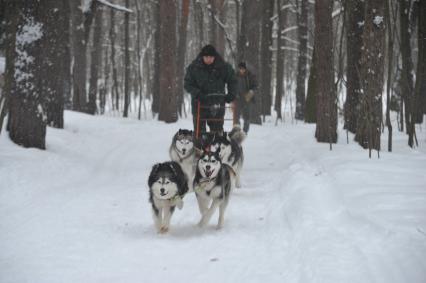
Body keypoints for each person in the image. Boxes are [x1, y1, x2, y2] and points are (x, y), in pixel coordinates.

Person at [184, 44, 237, 136]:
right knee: (199, 134)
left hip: (217, 104)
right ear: (202, 56)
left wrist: (231, 93)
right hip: (199, 104)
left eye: (211, 57)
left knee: (217, 133)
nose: (209, 59)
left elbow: (232, 80)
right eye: (206, 57)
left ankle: (216, 148)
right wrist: (197, 93)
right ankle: (200, 149)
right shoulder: (194, 67)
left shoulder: (223, 67)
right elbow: (187, 84)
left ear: (214, 57)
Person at [235, 62, 257, 134]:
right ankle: (237, 131)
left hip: (247, 99)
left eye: (243, 69)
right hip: (238, 98)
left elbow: (255, 86)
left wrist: (251, 92)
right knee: (236, 116)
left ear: (245, 69)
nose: (241, 70)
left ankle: (244, 132)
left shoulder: (250, 76)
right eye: (240, 69)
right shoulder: (236, 76)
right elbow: (232, 86)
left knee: (246, 117)